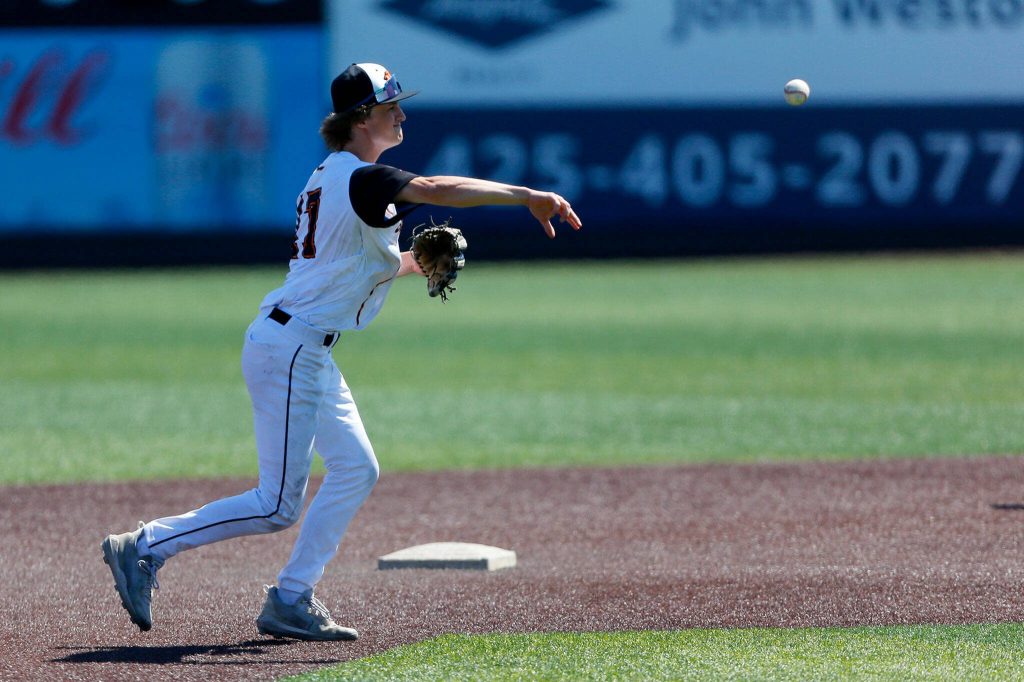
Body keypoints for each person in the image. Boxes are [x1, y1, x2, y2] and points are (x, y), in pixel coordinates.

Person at [101, 62, 582, 642]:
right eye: (390, 107)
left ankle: (291, 597)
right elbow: (432, 190)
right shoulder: (360, 177)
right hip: (291, 349)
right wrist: (527, 195)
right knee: (277, 504)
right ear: (361, 118)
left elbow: (346, 270)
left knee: (356, 468)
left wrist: (412, 264)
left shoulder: (335, 178)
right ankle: (146, 545)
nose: (401, 114)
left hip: (302, 345)